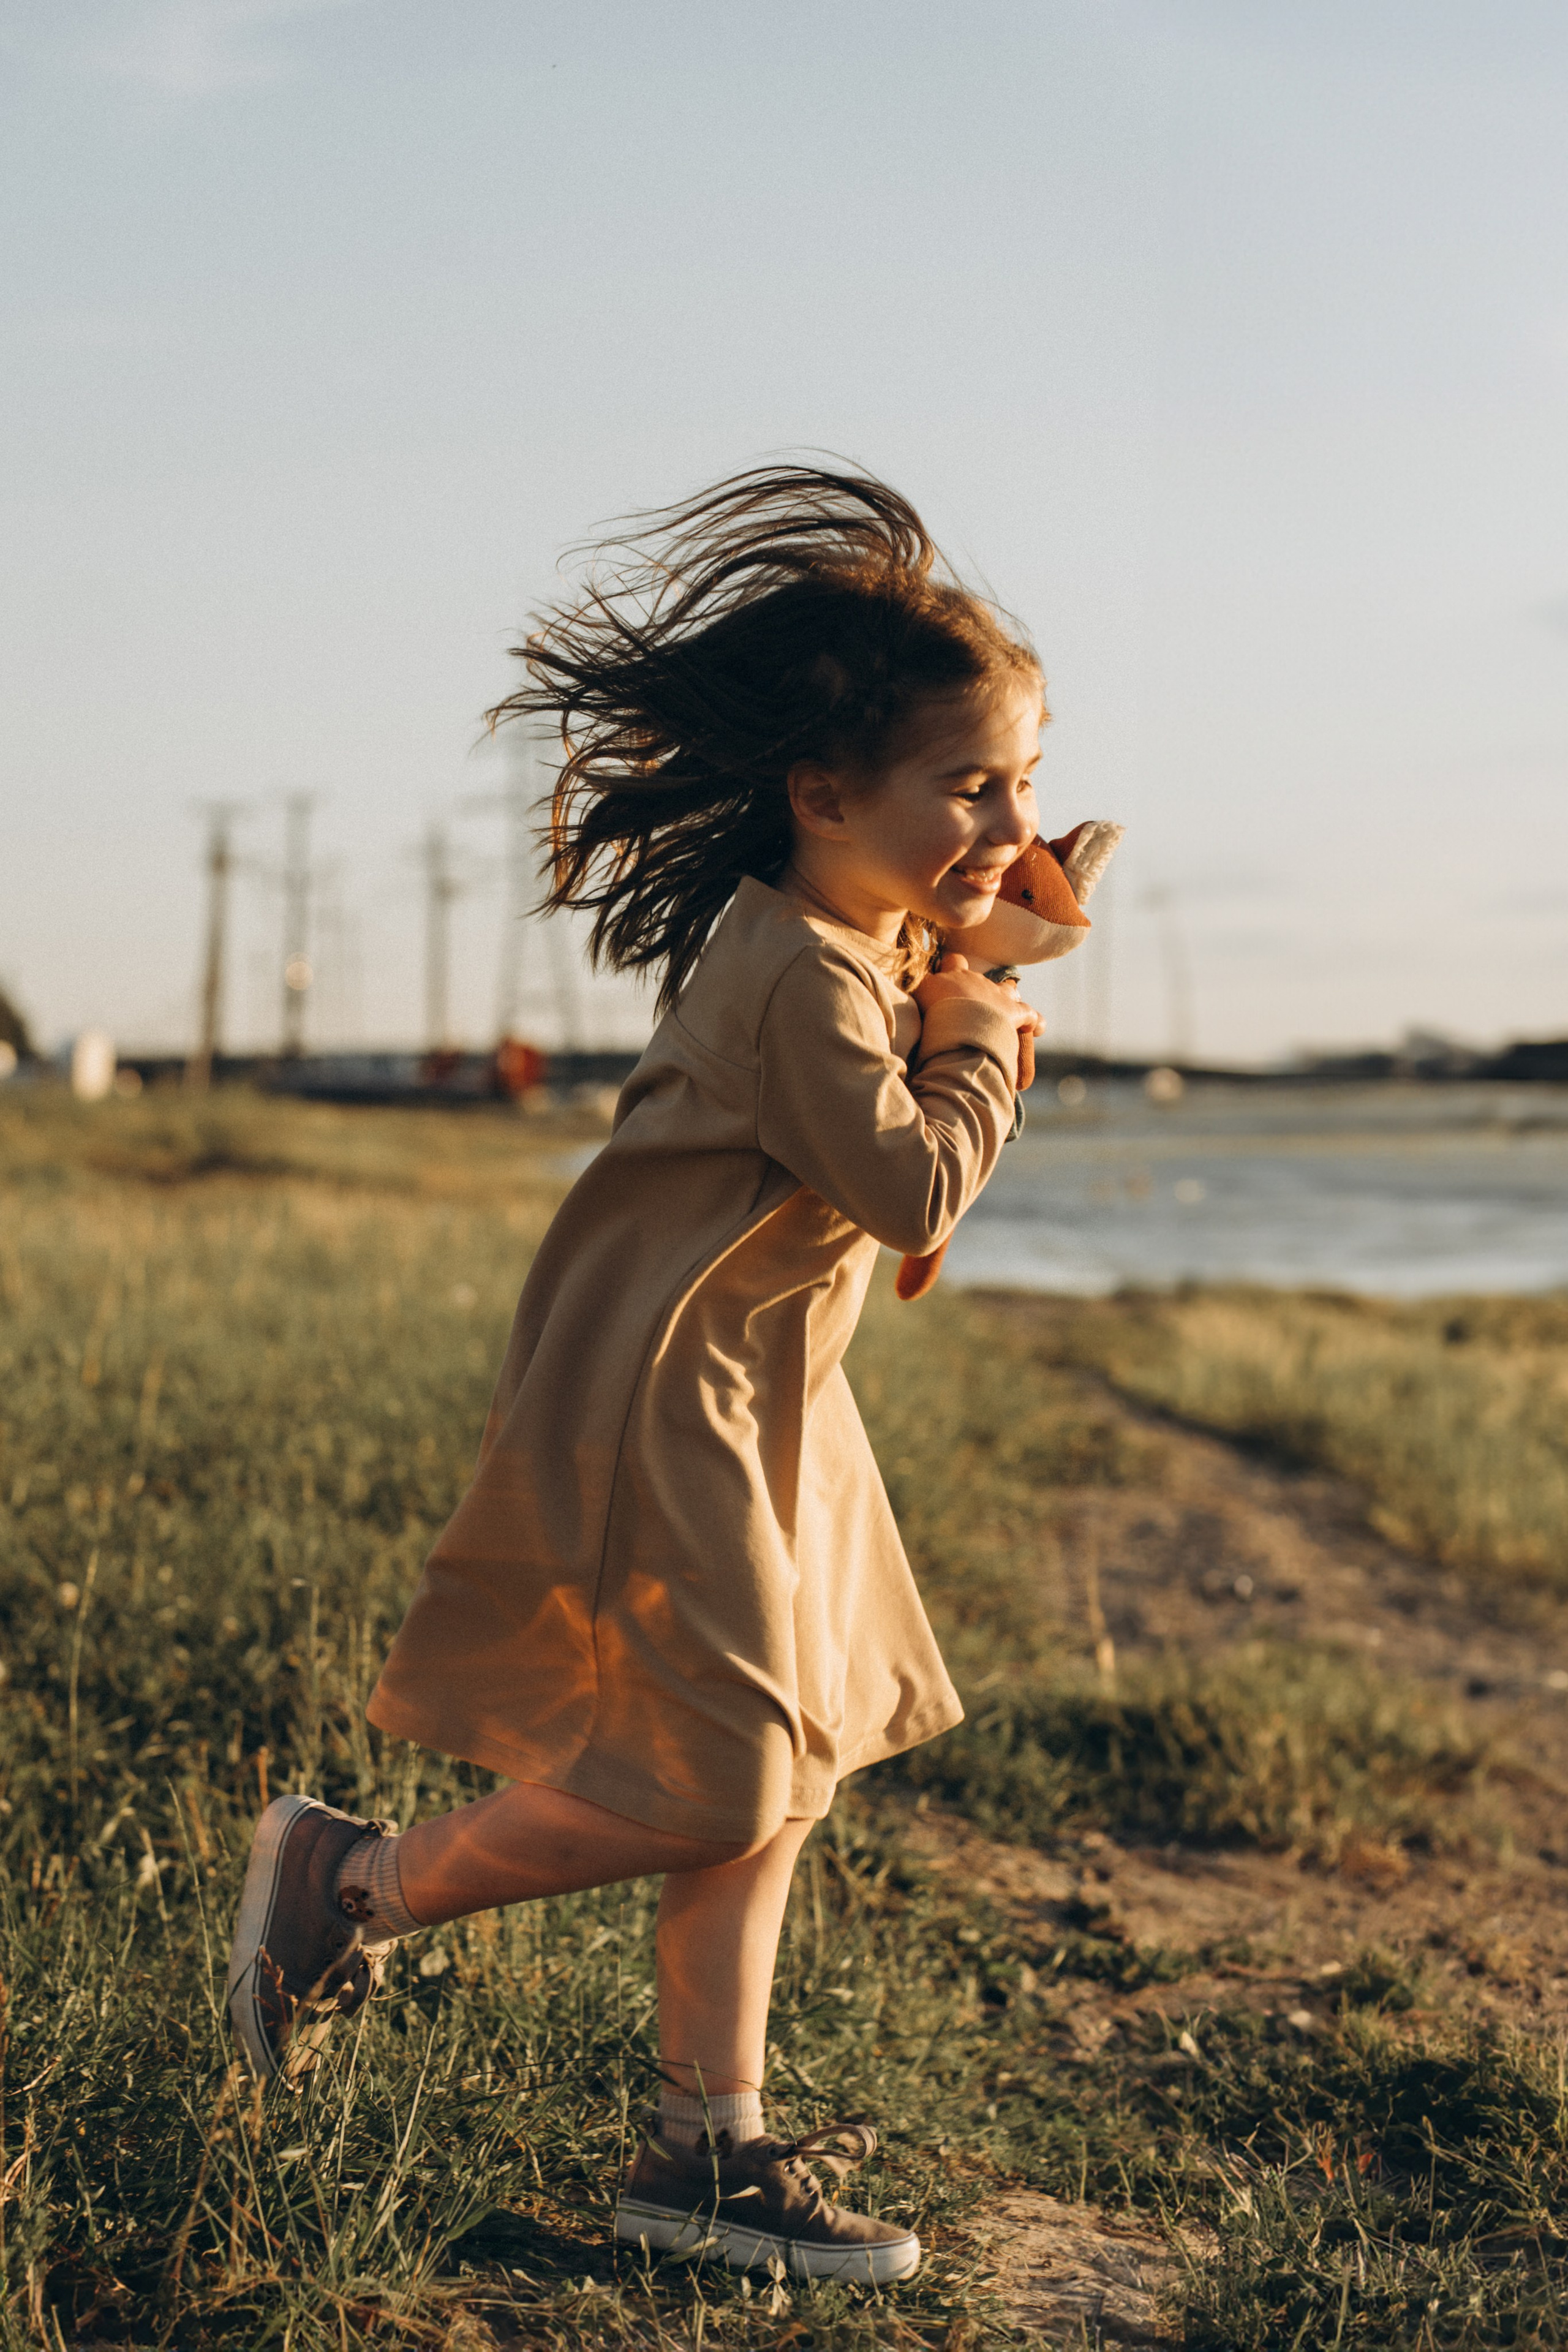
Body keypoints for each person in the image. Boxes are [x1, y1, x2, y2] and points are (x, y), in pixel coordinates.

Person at [226, 464, 1046, 2285]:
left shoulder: (857, 938)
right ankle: (350, 1884)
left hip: (770, 1401)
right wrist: (982, 1044)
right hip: (669, 1396)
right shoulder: (811, 984)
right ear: (827, 795)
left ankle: (705, 2154)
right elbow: (910, 1180)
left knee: (788, 1764)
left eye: (1027, 779)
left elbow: (934, 1005)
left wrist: (979, 939)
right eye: (973, 782)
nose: (1010, 817)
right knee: (719, 1782)